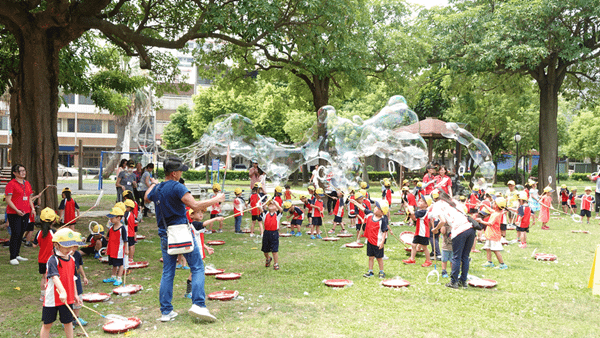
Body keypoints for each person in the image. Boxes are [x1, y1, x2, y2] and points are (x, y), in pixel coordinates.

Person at [145, 156, 225, 323]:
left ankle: (166, 312)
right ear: (174, 173)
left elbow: (146, 197)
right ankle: (198, 305)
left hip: (165, 234)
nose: (182, 173)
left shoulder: (158, 188)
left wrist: (154, 183)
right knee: (197, 267)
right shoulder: (178, 187)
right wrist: (216, 200)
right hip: (182, 232)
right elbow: (195, 206)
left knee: (168, 271)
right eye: (180, 170)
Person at [39, 228, 85, 338]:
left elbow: (72, 278)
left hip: (67, 298)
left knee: (68, 322)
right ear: (56, 245)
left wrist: (74, 294)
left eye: (71, 246)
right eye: (66, 246)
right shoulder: (52, 260)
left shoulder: (72, 259)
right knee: (47, 324)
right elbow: (54, 277)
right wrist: (62, 291)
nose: (69, 249)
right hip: (52, 299)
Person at [429, 190, 475, 289]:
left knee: (456, 257)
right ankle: (463, 281)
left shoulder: (437, 205)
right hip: (470, 229)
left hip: (459, 230)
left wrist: (435, 229)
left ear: (435, 198)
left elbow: (443, 221)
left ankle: (453, 282)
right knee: (465, 257)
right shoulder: (453, 201)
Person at [185, 209, 220, 298]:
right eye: (198, 212)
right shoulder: (194, 224)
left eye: (201, 212)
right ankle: (190, 292)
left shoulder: (195, 226)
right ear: (191, 216)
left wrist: (206, 247)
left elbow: (198, 239)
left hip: (198, 251)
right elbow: (204, 224)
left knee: (195, 271)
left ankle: (192, 291)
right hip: (195, 252)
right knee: (195, 272)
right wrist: (215, 219)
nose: (201, 214)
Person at [6, 163, 35, 265]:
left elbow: (29, 198)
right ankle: (12, 256)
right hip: (14, 213)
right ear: (14, 173)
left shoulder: (27, 183)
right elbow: (8, 200)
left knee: (21, 233)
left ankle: (17, 254)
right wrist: (17, 210)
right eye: (20, 171)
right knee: (16, 233)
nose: (23, 173)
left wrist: (32, 208)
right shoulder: (11, 184)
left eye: (24, 170)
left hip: (25, 212)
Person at [33, 208, 58, 302]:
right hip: (51, 260)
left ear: (40, 220)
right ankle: (49, 295)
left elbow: (34, 245)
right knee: (52, 277)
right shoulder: (54, 233)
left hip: (41, 259)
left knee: (44, 277)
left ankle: (42, 295)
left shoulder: (39, 233)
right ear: (54, 220)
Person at [477, 197, 508, 269]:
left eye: (494, 203)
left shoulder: (497, 215)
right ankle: (489, 262)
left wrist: (481, 221)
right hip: (490, 235)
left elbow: (490, 223)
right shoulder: (496, 212)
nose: (492, 204)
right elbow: (490, 210)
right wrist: (484, 205)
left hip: (494, 236)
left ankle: (502, 264)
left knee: (495, 250)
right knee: (488, 248)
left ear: (497, 206)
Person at [360, 201, 389, 278]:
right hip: (370, 241)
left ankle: (381, 272)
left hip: (378, 242)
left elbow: (384, 232)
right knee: (370, 257)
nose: (375, 208)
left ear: (382, 213)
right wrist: (354, 202)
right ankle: (370, 272)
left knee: (379, 258)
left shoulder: (382, 221)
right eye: (376, 207)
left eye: (378, 208)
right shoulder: (370, 215)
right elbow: (363, 209)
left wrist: (382, 242)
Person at [103, 206, 128, 286]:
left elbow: (125, 240)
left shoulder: (122, 228)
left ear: (118, 218)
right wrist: (107, 248)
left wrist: (126, 249)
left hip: (119, 250)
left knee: (120, 264)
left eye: (112, 218)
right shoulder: (111, 228)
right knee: (114, 263)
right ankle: (113, 277)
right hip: (112, 249)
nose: (110, 220)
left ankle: (119, 278)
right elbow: (108, 238)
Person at [403, 198, 432, 267]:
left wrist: (407, 205)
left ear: (426, 205)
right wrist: (410, 215)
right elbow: (415, 218)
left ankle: (428, 261)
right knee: (413, 245)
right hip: (418, 232)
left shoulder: (423, 211)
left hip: (423, 233)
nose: (419, 202)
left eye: (422, 201)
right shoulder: (420, 211)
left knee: (424, 247)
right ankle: (412, 259)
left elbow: (413, 213)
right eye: (420, 200)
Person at [262, 199, 283, 270]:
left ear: (276, 208)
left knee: (274, 250)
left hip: (274, 233)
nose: (271, 205)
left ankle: (276, 263)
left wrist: (276, 203)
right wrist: (261, 204)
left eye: (273, 205)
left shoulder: (277, 214)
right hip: (266, 233)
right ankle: (268, 258)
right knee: (265, 250)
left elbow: (281, 209)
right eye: (270, 204)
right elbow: (259, 207)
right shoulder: (265, 213)